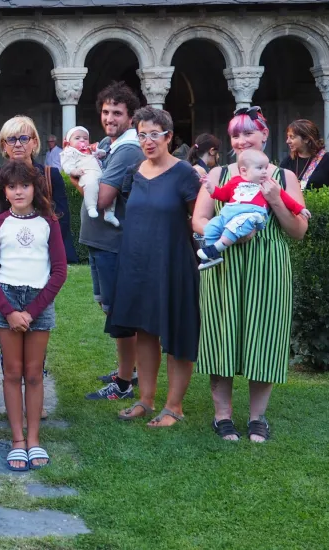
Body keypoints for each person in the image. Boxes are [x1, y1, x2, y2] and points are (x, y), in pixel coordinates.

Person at [193, 106, 308, 443]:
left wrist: (275, 201)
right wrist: (227, 231)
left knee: (265, 335)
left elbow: (298, 231)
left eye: (248, 133)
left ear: (264, 135)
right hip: (225, 265)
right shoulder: (218, 175)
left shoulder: (285, 178)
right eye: (235, 135)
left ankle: (258, 417)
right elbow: (199, 219)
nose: (241, 140)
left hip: (268, 264)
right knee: (222, 334)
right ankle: (222, 416)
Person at [105, 108, 202, 428]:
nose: (148, 141)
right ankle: (145, 400)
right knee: (144, 330)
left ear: (169, 137)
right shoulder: (133, 172)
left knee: (176, 331)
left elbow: (199, 220)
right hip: (137, 264)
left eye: (154, 135)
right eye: (142, 135)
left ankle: (174, 407)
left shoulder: (184, 173)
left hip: (174, 263)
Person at [0, 160, 67, 470]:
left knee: (33, 373)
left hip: (38, 301)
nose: (19, 192)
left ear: (35, 188)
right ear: (4, 191)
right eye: (12, 187)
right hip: (6, 298)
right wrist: (9, 311)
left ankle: (34, 438)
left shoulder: (49, 223)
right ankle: (17, 440)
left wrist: (31, 312)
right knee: (12, 372)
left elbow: (59, 271)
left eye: (25, 186)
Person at [69, 83, 144, 402]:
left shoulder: (127, 150)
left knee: (119, 313)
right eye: (105, 111)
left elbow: (100, 199)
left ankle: (124, 383)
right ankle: (129, 369)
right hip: (102, 241)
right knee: (110, 307)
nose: (109, 118)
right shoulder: (109, 145)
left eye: (117, 112)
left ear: (131, 117)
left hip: (115, 242)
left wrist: (73, 177)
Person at [0, 116, 78, 264]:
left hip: (44, 253)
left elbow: (62, 219)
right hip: (6, 255)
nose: (18, 144)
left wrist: (38, 248)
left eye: (24, 139)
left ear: (35, 142)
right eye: (11, 139)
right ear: (3, 145)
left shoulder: (51, 175)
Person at [198, 149, 310, 270]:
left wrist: (300, 209)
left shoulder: (269, 184)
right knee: (211, 226)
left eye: (266, 168)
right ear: (244, 171)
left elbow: (288, 200)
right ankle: (211, 256)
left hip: (252, 214)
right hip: (228, 214)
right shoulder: (234, 181)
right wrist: (210, 188)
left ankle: (217, 248)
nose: (264, 172)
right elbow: (221, 194)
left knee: (236, 225)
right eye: (259, 168)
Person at [61, 125, 118, 226]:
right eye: (77, 138)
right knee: (91, 185)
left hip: (100, 173)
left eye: (85, 138)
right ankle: (91, 207)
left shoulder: (90, 149)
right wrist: (73, 171)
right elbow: (66, 164)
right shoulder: (70, 151)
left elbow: (102, 154)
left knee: (111, 188)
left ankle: (109, 212)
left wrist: (99, 151)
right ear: (69, 142)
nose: (82, 140)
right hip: (86, 173)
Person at [279, 118, 329, 190]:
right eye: (287, 137)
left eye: (292, 137)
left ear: (306, 139)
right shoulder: (287, 162)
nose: (287, 141)